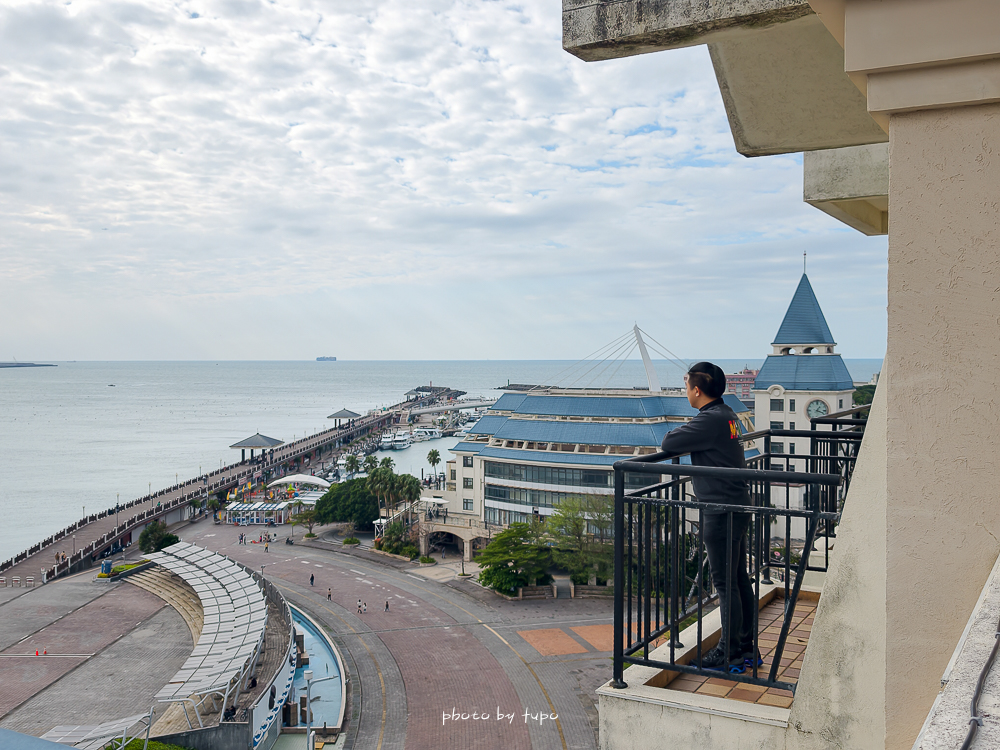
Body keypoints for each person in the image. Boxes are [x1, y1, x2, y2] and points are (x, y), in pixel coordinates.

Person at [659, 361, 754, 674]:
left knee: (725, 583)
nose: (685, 391)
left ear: (697, 390)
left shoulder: (709, 420)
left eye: (686, 386)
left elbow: (669, 442)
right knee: (738, 578)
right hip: (736, 503)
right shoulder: (726, 414)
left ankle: (729, 653)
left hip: (720, 508)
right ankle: (745, 647)